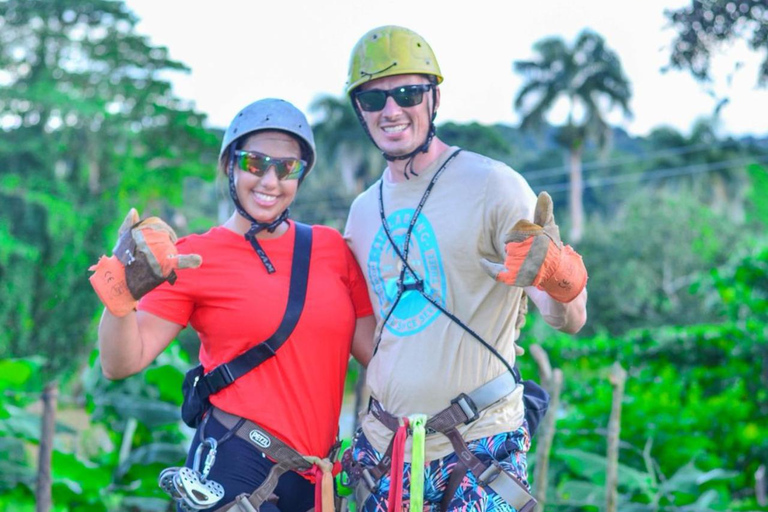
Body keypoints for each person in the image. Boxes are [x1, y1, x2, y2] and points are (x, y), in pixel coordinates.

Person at [340, 26, 589, 512]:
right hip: (388, 452)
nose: (391, 110)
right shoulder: (362, 212)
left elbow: (570, 317)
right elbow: (375, 332)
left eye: (407, 93)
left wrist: (558, 277)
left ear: (434, 97)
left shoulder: (493, 186)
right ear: (360, 111)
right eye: (372, 98)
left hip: (479, 446)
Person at [89, 98, 376, 512]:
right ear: (231, 166)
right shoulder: (194, 257)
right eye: (255, 164)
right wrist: (121, 297)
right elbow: (120, 363)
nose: (271, 181)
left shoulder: (330, 248)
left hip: (317, 479)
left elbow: (379, 355)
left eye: (287, 168)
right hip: (235, 464)